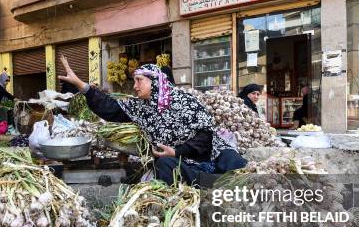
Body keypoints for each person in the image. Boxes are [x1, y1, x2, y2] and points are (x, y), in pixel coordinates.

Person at [59, 56, 246, 186]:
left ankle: (216, 181)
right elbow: (111, 109)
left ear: (154, 81)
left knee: (234, 161)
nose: (134, 86)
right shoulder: (140, 107)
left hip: (207, 154)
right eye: (134, 81)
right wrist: (82, 86)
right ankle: (209, 182)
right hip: (180, 162)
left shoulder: (183, 100)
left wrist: (178, 150)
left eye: (139, 80)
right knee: (164, 166)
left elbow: (205, 135)